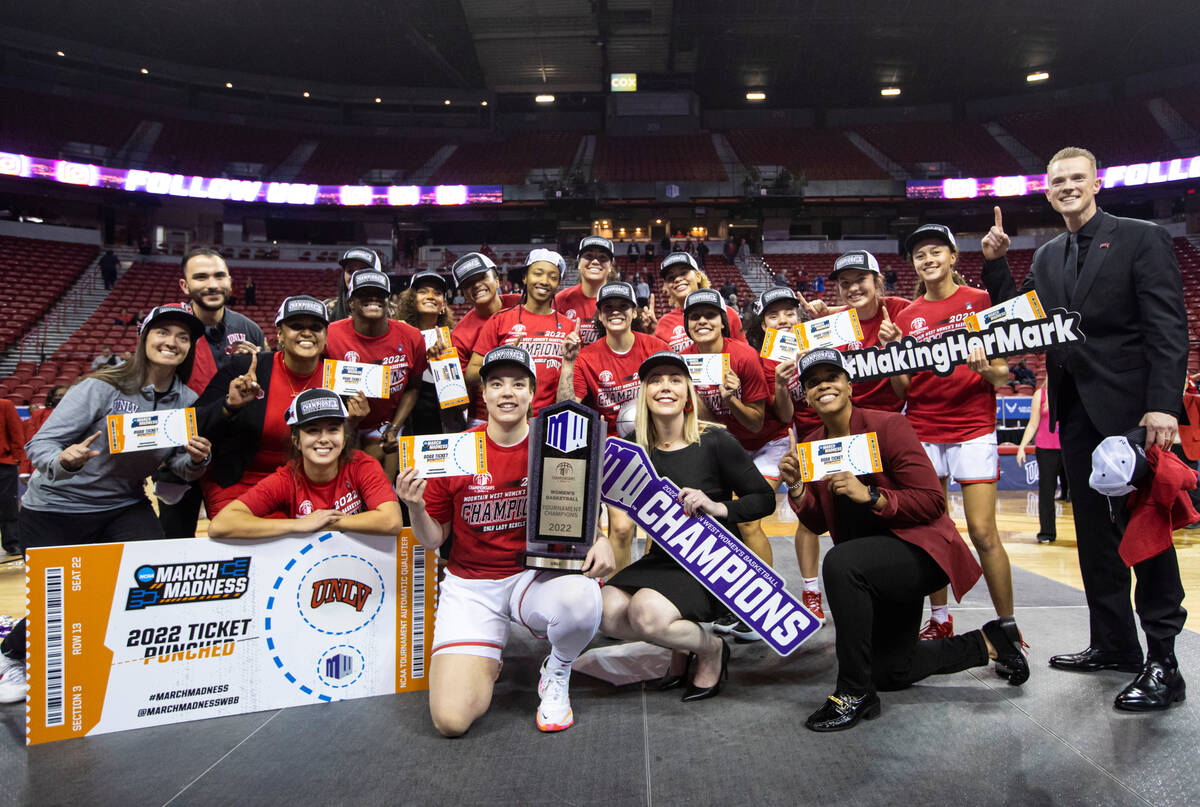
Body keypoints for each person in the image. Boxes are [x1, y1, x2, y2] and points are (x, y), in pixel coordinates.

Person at [981, 146, 1188, 710]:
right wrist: (997, 264)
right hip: (1073, 412)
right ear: (1047, 192)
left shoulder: (1141, 237)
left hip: (1131, 412)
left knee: (1143, 534)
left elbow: (1167, 324)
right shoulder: (1047, 256)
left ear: (1096, 183)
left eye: (1077, 178)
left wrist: (1163, 405)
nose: (1068, 187)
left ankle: (1164, 661)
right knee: (1095, 538)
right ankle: (1114, 643)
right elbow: (1019, 323)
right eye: (1058, 182)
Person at [777, 349, 1027, 732]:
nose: (823, 385)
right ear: (806, 396)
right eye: (813, 382)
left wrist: (873, 497)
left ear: (848, 385)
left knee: (840, 562)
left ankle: (853, 692)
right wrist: (795, 488)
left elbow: (931, 501)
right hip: (873, 570)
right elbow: (817, 520)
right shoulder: (814, 445)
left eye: (831, 377)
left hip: (918, 554)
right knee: (892, 670)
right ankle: (989, 642)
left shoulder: (888, 426)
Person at [0, 304, 214, 704]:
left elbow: (177, 466)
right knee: (62, 602)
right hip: (57, 507)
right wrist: (64, 460)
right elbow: (40, 445)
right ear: (144, 338)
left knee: (149, 577)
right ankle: (12, 653)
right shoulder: (100, 387)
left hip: (122, 504)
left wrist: (198, 460)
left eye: (182, 337)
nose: (172, 342)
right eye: (162, 332)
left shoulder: (186, 400)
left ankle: (125, 660)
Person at [395, 346, 613, 735]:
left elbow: (581, 508)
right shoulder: (459, 450)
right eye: (496, 384)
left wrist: (601, 537)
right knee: (451, 721)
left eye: (518, 384)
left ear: (532, 393)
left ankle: (557, 671)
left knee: (583, 600)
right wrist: (414, 507)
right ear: (485, 394)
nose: (507, 392)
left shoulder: (555, 443)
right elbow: (434, 540)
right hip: (472, 585)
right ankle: (485, 655)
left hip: (533, 575)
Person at [601, 350, 774, 700]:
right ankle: (680, 647)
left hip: (710, 563)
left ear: (688, 393)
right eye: (655, 381)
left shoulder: (715, 440)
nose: (665, 387)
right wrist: (599, 536)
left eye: (675, 380)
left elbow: (764, 499)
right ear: (644, 394)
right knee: (603, 612)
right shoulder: (633, 448)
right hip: (663, 560)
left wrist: (717, 507)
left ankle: (710, 649)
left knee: (645, 613)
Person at [890, 224, 1017, 645]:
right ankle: (939, 617)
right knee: (932, 529)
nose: (927, 260)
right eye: (919, 255)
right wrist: (893, 362)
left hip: (972, 428)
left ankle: (1008, 626)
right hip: (923, 430)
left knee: (982, 532)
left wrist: (984, 369)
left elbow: (1003, 372)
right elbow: (904, 389)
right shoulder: (906, 317)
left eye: (935, 252)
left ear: (953, 256)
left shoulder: (980, 302)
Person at [196, 295, 367, 518]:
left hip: (308, 485)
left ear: (325, 336)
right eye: (296, 326)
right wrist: (229, 405)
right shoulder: (246, 368)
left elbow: (338, 443)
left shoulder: (340, 378)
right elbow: (194, 422)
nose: (306, 333)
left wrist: (352, 423)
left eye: (316, 327)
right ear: (280, 334)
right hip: (243, 480)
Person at [679, 288, 784, 640]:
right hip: (728, 446)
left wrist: (732, 398)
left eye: (710, 315)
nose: (703, 322)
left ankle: (765, 608)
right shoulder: (685, 360)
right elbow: (710, 423)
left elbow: (755, 422)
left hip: (765, 443)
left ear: (723, 322)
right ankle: (733, 601)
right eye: (695, 317)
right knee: (720, 523)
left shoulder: (743, 356)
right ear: (688, 326)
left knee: (749, 519)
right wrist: (699, 399)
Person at [159, 247, 266, 539]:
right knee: (174, 542)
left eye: (219, 275)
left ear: (230, 281)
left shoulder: (250, 329)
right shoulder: (169, 331)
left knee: (240, 542)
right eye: (201, 277)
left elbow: (263, 394)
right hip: (181, 454)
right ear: (185, 285)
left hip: (234, 459)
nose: (212, 284)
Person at [563, 282, 668, 570]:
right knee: (621, 529)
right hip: (615, 451)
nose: (616, 312)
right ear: (599, 315)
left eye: (623, 306)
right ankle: (618, 594)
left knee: (659, 529)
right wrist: (569, 363)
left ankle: (653, 585)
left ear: (634, 312)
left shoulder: (656, 348)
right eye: (608, 308)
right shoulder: (587, 356)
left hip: (657, 444)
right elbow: (569, 404)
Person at [208, 389, 402, 539]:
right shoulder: (287, 477)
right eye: (313, 430)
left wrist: (329, 523)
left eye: (333, 429)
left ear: (344, 436)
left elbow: (391, 521)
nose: (324, 439)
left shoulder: (362, 465)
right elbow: (221, 525)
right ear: (296, 440)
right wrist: (298, 525)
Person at [744, 287, 826, 622]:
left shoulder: (820, 344)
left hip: (836, 433)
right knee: (807, 517)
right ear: (763, 324)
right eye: (773, 316)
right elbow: (781, 414)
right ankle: (811, 592)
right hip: (800, 438)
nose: (783, 320)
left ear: (799, 316)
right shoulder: (760, 360)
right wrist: (779, 384)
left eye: (789, 313)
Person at [325, 269, 425, 479]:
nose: (373, 298)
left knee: (379, 484)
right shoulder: (330, 334)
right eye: (364, 293)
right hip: (337, 422)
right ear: (351, 302)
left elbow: (413, 387)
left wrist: (394, 427)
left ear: (388, 300)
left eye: (380, 294)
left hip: (383, 425)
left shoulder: (411, 336)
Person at [466, 249, 577, 417]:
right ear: (525, 277)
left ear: (558, 284)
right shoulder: (500, 319)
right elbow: (471, 375)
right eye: (538, 274)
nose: (544, 281)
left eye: (553, 277)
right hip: (505, 418)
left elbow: (573, 383)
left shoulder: (569, 327)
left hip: (548, 421)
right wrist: (500, 358)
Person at [808, 250, 908, 412]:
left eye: (861, 279)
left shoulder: (901, 309)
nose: (853, 288)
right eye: (845, 283)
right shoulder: (833, 324)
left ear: (877, 282)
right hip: (853, 414)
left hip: (900, 410)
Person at [448, 253, 523, 428]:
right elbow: (462, 393)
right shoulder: (460, 334)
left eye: (482, 277)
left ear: (497, 281)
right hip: (484, 417)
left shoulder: (521, 304)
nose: (476, 286)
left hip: (530, 408)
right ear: (464, 293)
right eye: (468, 284)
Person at [396, 270, 463, 436]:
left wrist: (440, 363)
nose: (431, 296)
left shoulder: (454, 338)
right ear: (411, 300)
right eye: (423, 292)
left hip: (443, 423)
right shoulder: (397, 335)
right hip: (405, 422)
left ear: (443, 305)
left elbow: (459, 398)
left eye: (437, 293)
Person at [652, 253, 745, 352]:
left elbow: (743, 354)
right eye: (671, 278)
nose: (677, 279)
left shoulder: (726, 313)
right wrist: (650, 335)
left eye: (683, 273)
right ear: (667, 287)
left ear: (698, 276)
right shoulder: (663, 324)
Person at [1016, 378, 1067, 543]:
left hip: (1069, 446)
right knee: (1046, 491)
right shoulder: (1041, 394)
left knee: (1081, 492)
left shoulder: (1072, 392)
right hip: (1046, 448)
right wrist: (1022, 446)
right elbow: (1032, 424)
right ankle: (1047, 532)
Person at [555, 236, 615, 347]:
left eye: (602, 257)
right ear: (578, 263)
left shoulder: (620, 301)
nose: (596, 261)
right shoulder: (561, 299)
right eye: (589, 256)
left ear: (610, 266)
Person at [325, 248, 386, 321]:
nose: (355, 276)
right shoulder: (327, 308)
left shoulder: (393, 311)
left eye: (362, 271)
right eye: (350, 271)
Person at [0, 397, 24, 556]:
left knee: (7, 504)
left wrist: (16, 458)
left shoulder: (4, 405)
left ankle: (12, 542)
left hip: (3, 463)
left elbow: (16, 431)